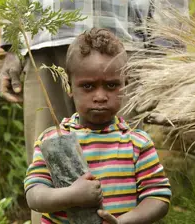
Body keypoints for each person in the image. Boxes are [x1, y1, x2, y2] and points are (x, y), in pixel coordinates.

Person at [24, 28, 171, 224]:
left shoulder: (137, 143)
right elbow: (34, 195)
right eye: (88, 86)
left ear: (125, 84)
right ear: (69, 86)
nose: (100, 97)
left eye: (111, 85)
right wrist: (71, 195)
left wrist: (124, 222)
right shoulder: (53, 140)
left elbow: (158, 197)